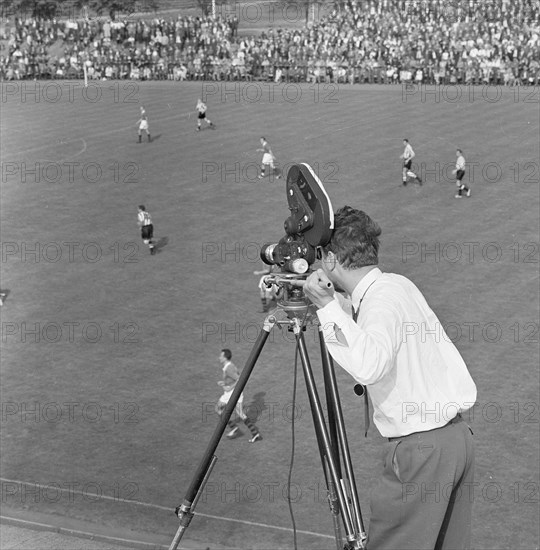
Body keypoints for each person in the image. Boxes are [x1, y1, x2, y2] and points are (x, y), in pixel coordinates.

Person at [296, 206, 477, 550]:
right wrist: (334, 303)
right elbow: (370, 319)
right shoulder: (395, 286)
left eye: (321, 258)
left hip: (422, 452)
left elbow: (369, 364)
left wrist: (326, 306)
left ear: (332, 259)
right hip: (454, 441)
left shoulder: (380, 301)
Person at [215, 349, 262, 443]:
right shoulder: (228, 366)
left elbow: (239, 379)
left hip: (232, 393)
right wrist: (224, 383)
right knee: (240, 413)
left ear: (225, 358)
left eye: (221, 356)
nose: (219, 357)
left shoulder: (229, 368)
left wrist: (228, 388)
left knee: (218, 409)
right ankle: (255, 433)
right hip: (234, 392)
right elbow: (234, 378)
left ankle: (234, 428)